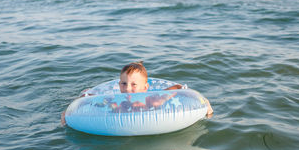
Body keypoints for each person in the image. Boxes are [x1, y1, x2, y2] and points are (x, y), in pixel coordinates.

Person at [61, 61, 213, 125]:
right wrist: (69, 110)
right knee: (87, 92)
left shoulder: (152, 100)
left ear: (145, 88)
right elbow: (88, 99)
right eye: (124, 83)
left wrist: (203, 101)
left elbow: (179, 88)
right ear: (118, 84)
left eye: (134, 85)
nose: (127, 89)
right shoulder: (114, 100)